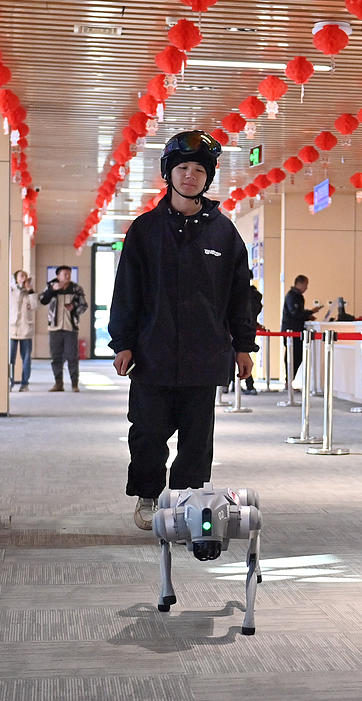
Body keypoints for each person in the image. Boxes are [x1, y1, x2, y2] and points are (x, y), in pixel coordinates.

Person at [108, 130, 258, 530]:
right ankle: (147, 495)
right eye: (182, 168)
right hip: (151, 354)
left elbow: (239, 296)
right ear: (168, 173)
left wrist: (244, 347)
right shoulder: (144, 230)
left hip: (204, 356)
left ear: (207, 178)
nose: (190, 176)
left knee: (196, 442)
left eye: (198, 170)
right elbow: (127, 291)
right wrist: (122, 343)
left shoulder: (224, 234)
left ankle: (186, 504)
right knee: (147, 435)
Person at [39, 266, 88, 392]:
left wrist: (74, 308)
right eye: (65, 274)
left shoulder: (76, 289)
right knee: (56, 356)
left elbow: (84, 305)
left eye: (69, 274)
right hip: (54, 327)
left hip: (70, 327)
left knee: (72, 356)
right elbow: (43, 301)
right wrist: (51, 290)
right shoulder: (50, 287)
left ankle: (74, 384)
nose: (67, 276)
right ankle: (58, 383)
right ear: (58, 276)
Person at [281, 275, 321, 385]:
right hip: (292, 330)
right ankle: (288, 380)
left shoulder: (296, 296)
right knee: (293, 356)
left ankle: (289, 380)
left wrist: (307, 316)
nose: (306, 288)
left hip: (295, 330)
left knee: (296, 356)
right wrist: (310, 312)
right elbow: (295, 314)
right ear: (299, 284)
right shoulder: (293, 296)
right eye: (305, 285)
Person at [9, 270, 36, 392]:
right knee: (10, 358)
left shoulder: (30, 293)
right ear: (16, 278)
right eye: (21, 276)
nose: (24, 278)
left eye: (25, 276)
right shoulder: (11, 290)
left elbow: (36, 306)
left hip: (26, 330)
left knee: (26, 358)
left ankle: (25, 383)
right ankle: (10, 381)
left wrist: (30, 290)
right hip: (12, 329)